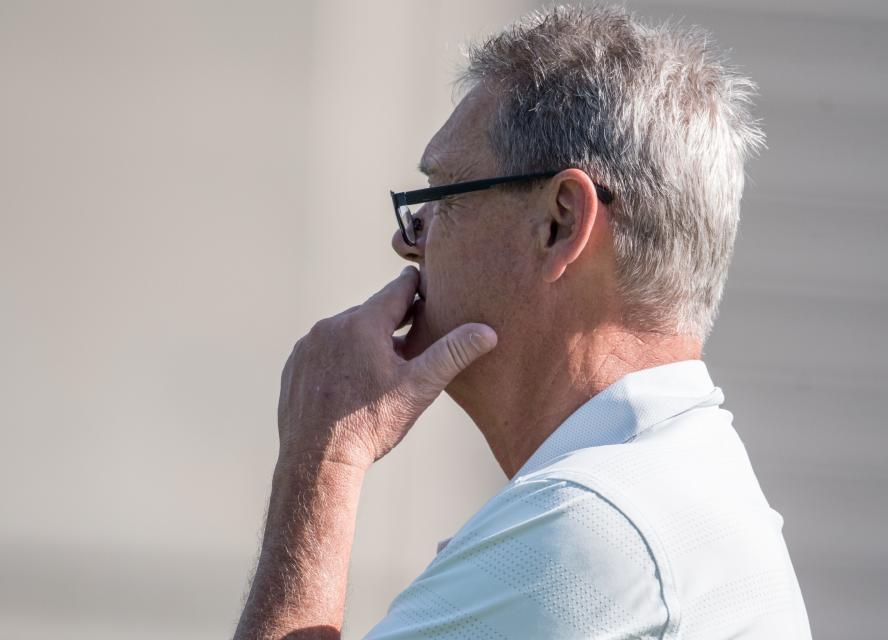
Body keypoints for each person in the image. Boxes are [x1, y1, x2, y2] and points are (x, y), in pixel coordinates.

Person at [233, 5, 812, 639]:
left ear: (560, 223)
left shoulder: (590, 525)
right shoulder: (670, 486)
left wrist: (323, 459)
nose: (408, 243)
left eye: (441, 196)